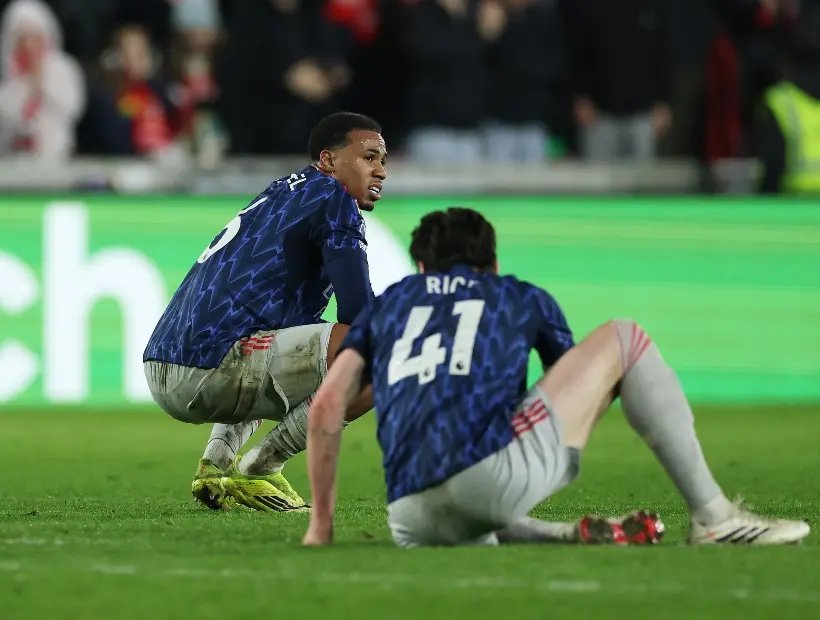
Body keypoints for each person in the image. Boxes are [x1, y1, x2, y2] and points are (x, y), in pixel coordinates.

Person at [302, 207, 811, 547]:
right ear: (493, 262)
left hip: (407, 516)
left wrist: (321, 526)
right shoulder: (518, 295)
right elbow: (567, 382)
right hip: (491, 483)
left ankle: (555, 533)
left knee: (463, 474)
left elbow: (326, 407)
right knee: (626, 338)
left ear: (419, 265)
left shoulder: (390, 303)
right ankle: (715, 517)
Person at [143, 112, 386, 511]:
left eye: (382, 161)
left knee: (281, 341)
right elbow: (358, 313)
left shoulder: (281, 192)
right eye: (369, 157)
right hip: (213, 365)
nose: (380, 172)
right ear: (328, 160)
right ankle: (262, 467)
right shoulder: (334, 198)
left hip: (163, 362)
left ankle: (215, 464)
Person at [0, 0, 85, 158]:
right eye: (22, 38)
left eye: (34, 37)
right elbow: (5, 113)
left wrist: (41, 84)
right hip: (11, 155)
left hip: (55, 154)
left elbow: (72, 108)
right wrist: (25, 86)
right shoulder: (7, 70)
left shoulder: (62, 67)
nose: (28, 44)